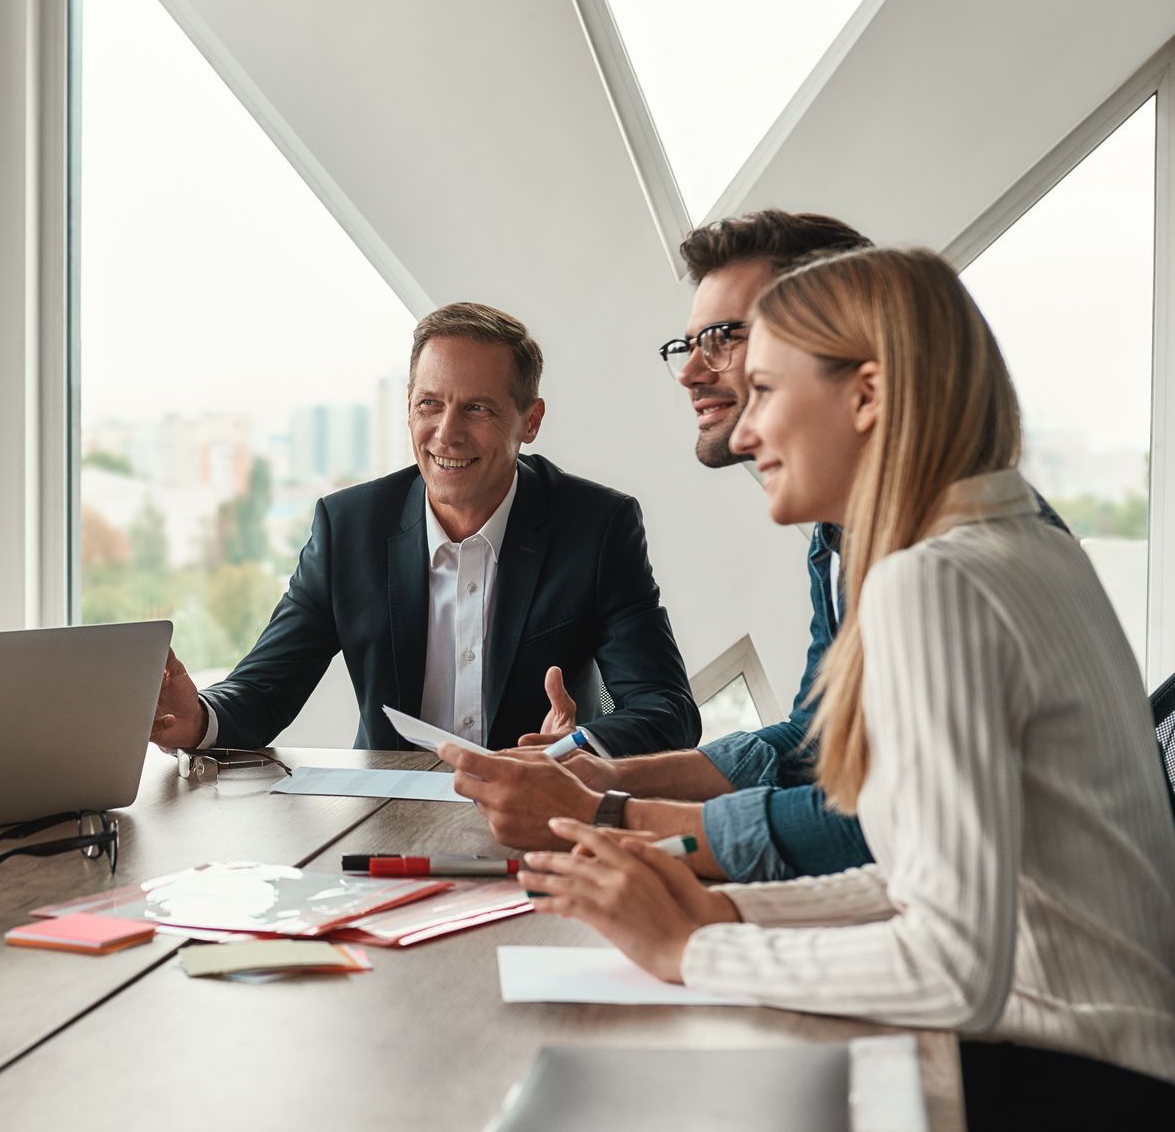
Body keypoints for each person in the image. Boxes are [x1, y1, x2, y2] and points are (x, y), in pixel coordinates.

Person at [497, 247, 1175, 1120]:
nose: (744, 433)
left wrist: (693, 950)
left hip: (1071, 1079)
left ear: (868, 396)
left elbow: (956, 964)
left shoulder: (932, 580)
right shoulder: (1016, 543)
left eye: (769, 392)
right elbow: (913, 876)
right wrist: (720, 915)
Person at [459, 210, 1066, 876]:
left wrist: (614, 818)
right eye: (685, 345)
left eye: (722, 339)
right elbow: (817, 742)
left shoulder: (947, 567)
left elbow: (882, 830)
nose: (691, 372)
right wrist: (602, 779)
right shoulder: (840, 538)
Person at [150, 302, 697, 756]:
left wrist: (574, 748)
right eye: (429, 404)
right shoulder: (349, 530)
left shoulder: (597, 528)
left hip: (539, 815)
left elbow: (666, 707)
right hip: (385, 825)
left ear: (530, 421)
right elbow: (263, 691)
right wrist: (196, 717)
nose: (446, 433)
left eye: (478, 409)